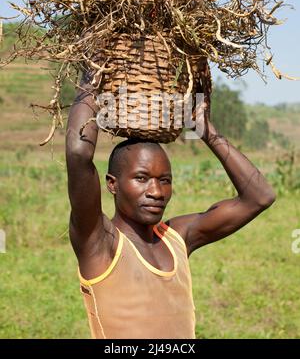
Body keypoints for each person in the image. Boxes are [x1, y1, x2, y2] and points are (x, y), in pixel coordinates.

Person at [65, 70, 276, 339]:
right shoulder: (100, 243)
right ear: (112, 184)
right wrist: (90, 78)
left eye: (164, 180)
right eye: (141, 179)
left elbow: (260, 196)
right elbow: (77, 153)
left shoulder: (176, 238)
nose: (156, 191)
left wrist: (205, 128)